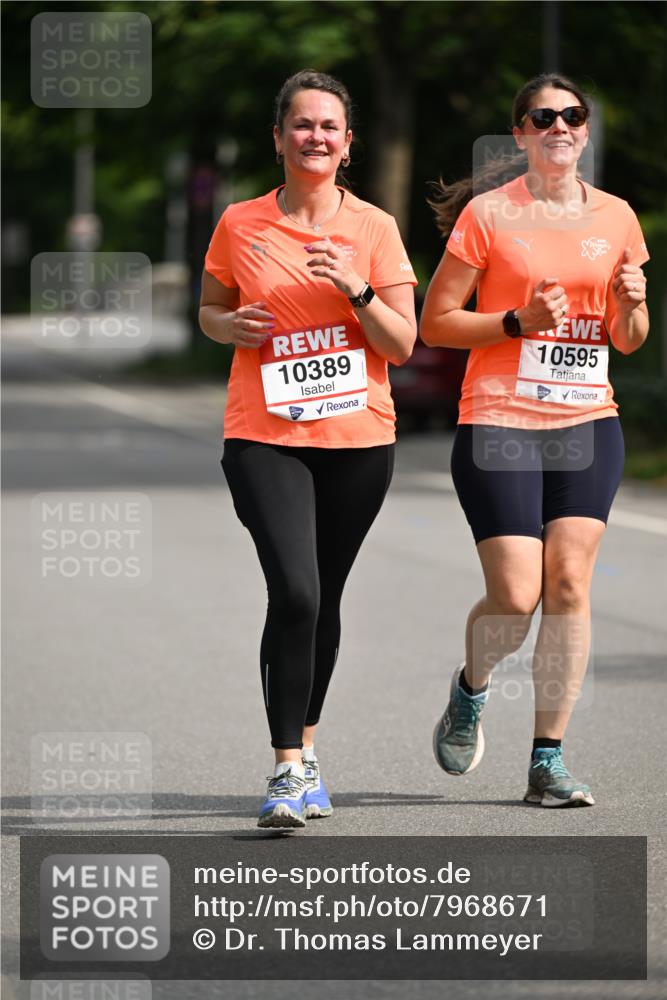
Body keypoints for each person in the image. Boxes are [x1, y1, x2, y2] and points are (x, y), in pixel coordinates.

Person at [420, 73, 649, 807]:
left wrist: (631, 305)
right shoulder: (489, 214)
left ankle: (547, 759)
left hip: (587, 417)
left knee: (570, 582)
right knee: (517, 595)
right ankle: (471, 687)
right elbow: (435, 322)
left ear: (585, 130)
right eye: (542, 117)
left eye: (571, 115)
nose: (559, 127)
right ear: (519, 133)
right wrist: (516, 323)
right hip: (500, 419)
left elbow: (628, 338)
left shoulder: (616, 216)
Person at [199, 70, 417, 828]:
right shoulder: (240, 223)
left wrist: (357, 288)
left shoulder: (375, 229)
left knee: (323, 597)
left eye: (329, 126)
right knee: (295, 591)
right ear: (278, 138)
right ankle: (286, 767)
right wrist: (228, 327)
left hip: (358, 440)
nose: (315, 136)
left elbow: (402, 344)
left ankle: (309, 748)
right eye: (302, 124)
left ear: (348, 144)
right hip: (265, 435)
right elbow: (210, 309)